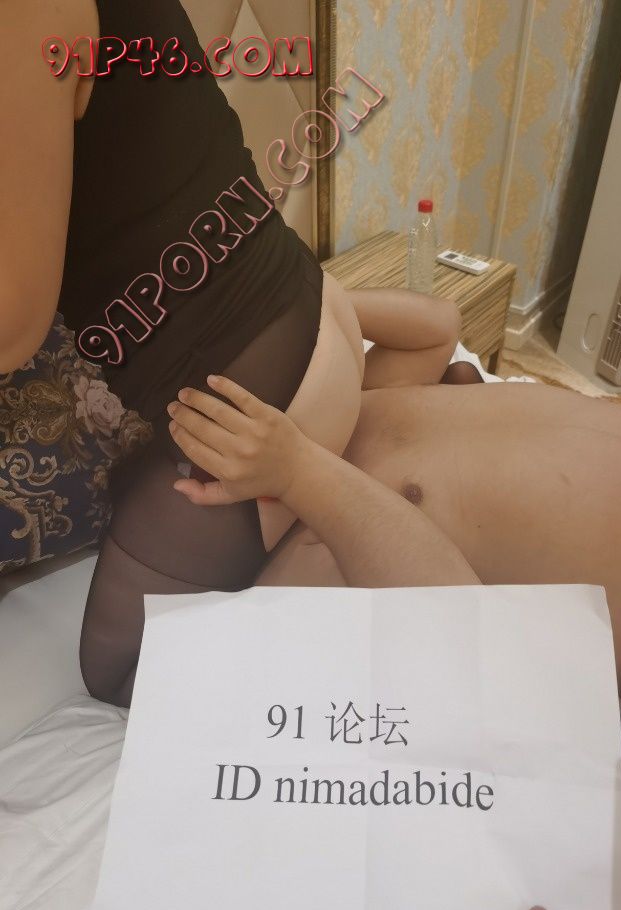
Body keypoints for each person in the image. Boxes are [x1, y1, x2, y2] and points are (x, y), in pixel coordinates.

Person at [2, 0, 455, 707]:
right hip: (300, 298)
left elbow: (12, 326)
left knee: (117, 670)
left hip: (253, 381)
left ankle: (302, 567)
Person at [167, 287, 621, 739]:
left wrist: (309, 292)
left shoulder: (360, 395)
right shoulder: (313, 539)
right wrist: (297, 474)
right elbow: (454, 624)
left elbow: (439, 326)